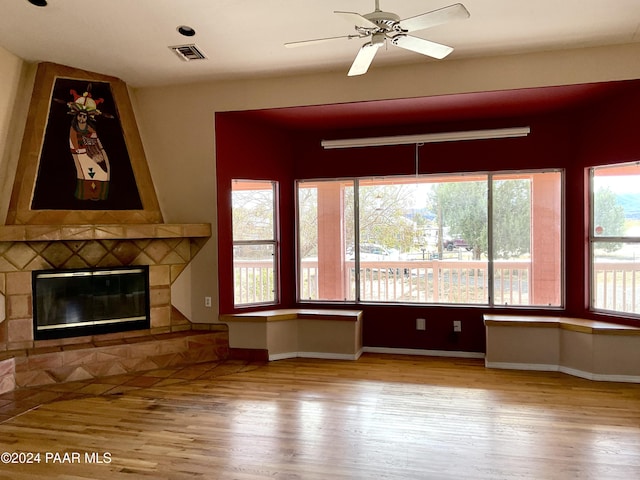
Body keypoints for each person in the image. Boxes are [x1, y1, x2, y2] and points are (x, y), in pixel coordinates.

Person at [67, 87, 110, 200]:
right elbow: (73, 140)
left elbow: (94, 136)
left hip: (91, 152)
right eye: (80, 116)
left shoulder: (89, 127)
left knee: (101, 172)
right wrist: (79, 150)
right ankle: (85, 194)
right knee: (84, 173)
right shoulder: (74, 128)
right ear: (77, 116)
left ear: (87, 118)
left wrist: (97, 146)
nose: (82, 118)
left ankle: (97, 194)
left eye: (84, 116)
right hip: (79, 153)